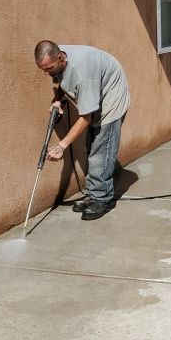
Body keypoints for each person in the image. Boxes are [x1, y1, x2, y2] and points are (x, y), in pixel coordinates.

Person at [34, 40, 130, 220]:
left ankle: (102, 199)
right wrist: (57, 99)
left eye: (49, 68)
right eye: (43, 69)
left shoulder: (83, 74)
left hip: (112, 96)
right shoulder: (58, 57)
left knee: (101, 150)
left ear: (60, 57)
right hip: (97, 90)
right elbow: (63, 79)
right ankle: (94, 194)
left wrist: (62, 145)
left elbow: (86, 117)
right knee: (91, 146)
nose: (46, 73)